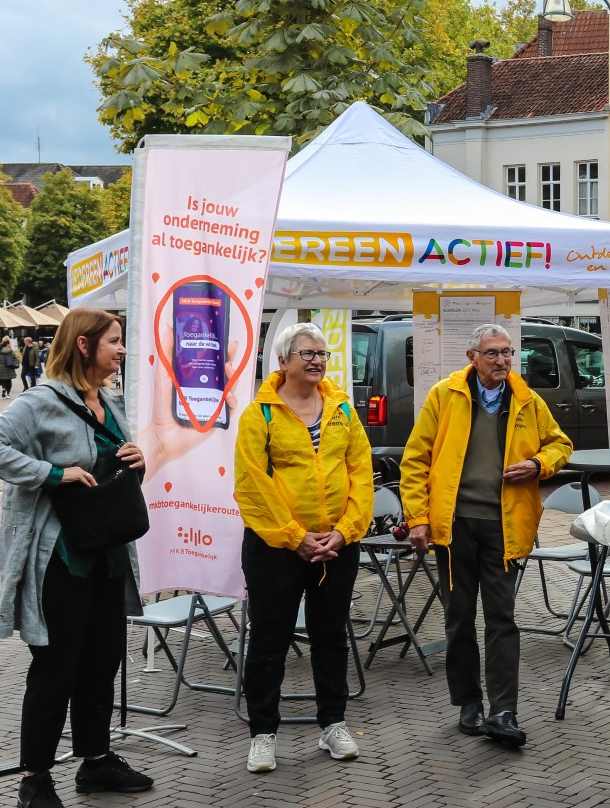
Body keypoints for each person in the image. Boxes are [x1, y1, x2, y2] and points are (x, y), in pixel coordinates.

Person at [0, 308, 154, 808]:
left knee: (103, 661)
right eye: (115, 341)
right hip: (60, 558)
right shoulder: (40, 402)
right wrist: (51, 472)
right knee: (56, 667)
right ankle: (35, 777)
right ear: (85, 346)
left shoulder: (110, 401)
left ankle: (95, 761)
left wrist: (137, 458)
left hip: (108, 551)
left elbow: (110, 462)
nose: (122, 350)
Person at [401, 323, 573, 748]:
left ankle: (503, 710)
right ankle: (468, 703)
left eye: (507, 353)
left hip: (505, 526)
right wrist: (419, 518)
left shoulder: (526, 400)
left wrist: (538, 464)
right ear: (471, 356)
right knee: (459, 619)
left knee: (502, 619)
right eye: (493, 353)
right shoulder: (445, 395)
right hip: (455, 525)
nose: (502, 361)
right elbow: (415, 460)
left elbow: (560, 444)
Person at [234, 322, 374, 773]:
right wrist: (296, 538)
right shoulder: (261, 415)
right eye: (307, 353)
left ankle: (333, 723)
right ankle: (262, 733)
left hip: (336, 543)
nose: (317, 360)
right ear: (283, 361)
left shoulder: (342, 411)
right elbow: (253, 485)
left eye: (322, 354)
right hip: (276, 548)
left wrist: (346, 529)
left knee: (331, 635)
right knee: (269, 640)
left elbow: (361, 473)